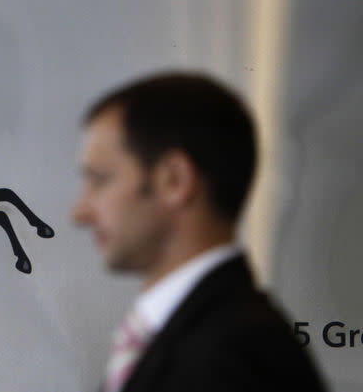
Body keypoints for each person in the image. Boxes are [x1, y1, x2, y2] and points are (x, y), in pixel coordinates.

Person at [72, 72, 326, 392]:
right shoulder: (199, 337)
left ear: (175, 181)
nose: (79, 214)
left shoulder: (232, 359)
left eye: (100, 180)